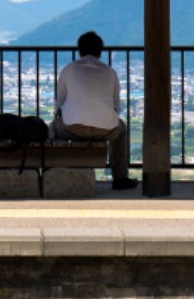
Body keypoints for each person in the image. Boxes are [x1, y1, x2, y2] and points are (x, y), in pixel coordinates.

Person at [53, 30, 137, 190]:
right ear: (100, 52)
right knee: (122, 129)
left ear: (80, 50)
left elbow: (59, 103)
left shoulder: (68, 70)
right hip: (106, 129)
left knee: (53, 128)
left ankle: (56, 169)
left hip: (73, 128)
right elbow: (115, 106)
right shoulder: (110, 72)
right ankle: (120, 177)